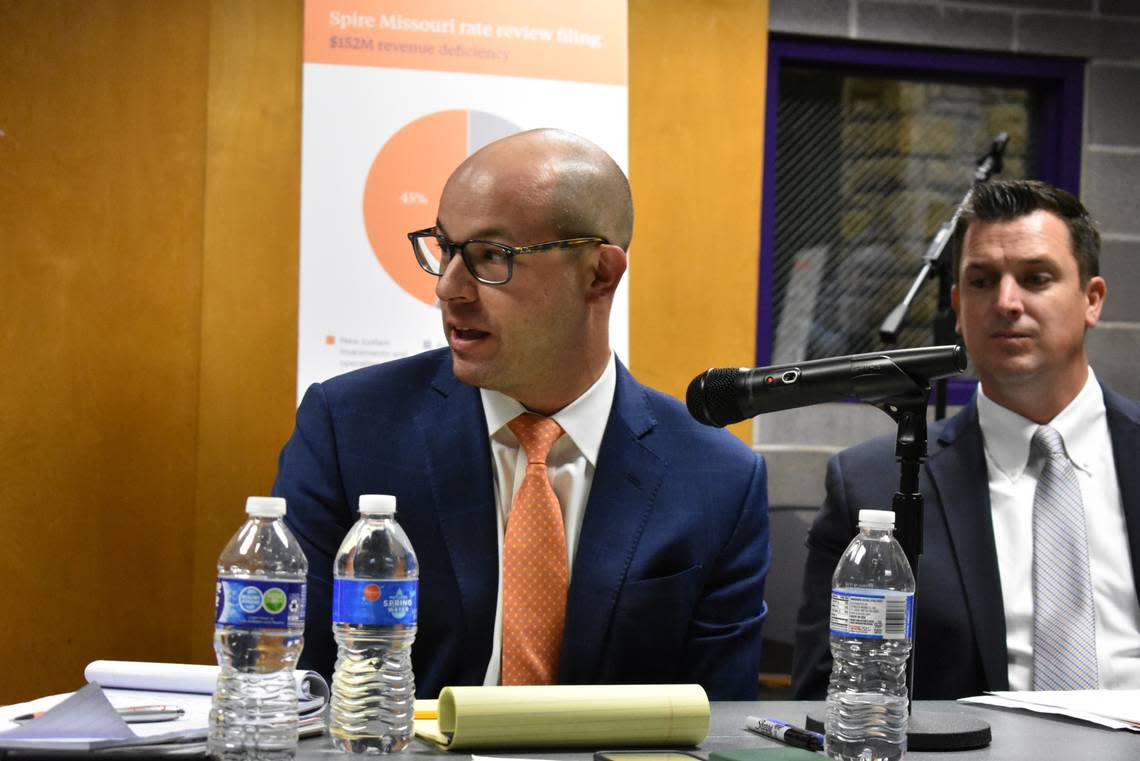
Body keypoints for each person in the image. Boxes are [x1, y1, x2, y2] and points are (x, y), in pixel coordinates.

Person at [273, 128, 770, 700]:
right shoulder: (350, 429)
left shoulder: (718, 479)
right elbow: (298, 683)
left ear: (599, 274)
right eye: (444, 249)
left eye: (491, 257)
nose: (449, 288)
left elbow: (719, 720)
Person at [792, 179, 1140, 699]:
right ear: (957, 306)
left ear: (1092, 300)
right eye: (981, 281)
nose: (1005, 302)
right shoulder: (874, 487)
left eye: (1036, 278)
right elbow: (828, 701)